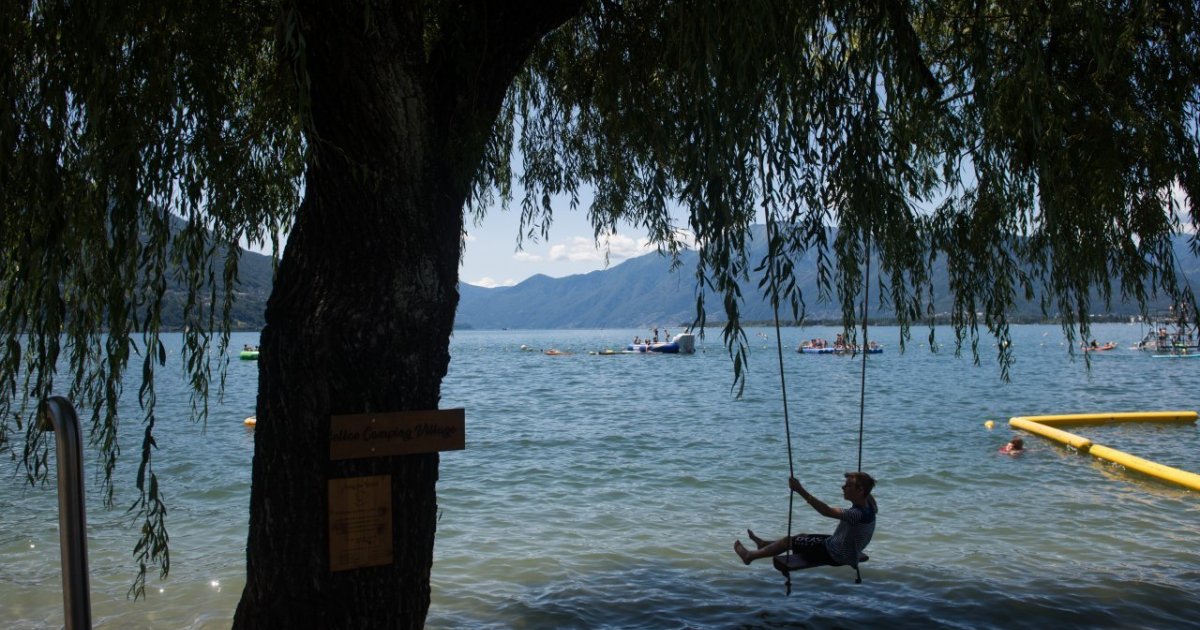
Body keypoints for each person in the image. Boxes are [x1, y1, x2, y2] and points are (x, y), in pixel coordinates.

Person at [734, 472, 877, 570]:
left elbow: (826, 511)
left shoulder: (856, 514)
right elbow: (867, 490)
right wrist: (859, 478)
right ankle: (764, 545)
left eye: (848, 485)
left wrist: (799, 489)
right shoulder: (870, 505)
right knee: (802, 537)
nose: (843, 487)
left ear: (860, 491)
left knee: (788, 541)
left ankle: (750, 556)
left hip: (835, 553)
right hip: (843, 548)